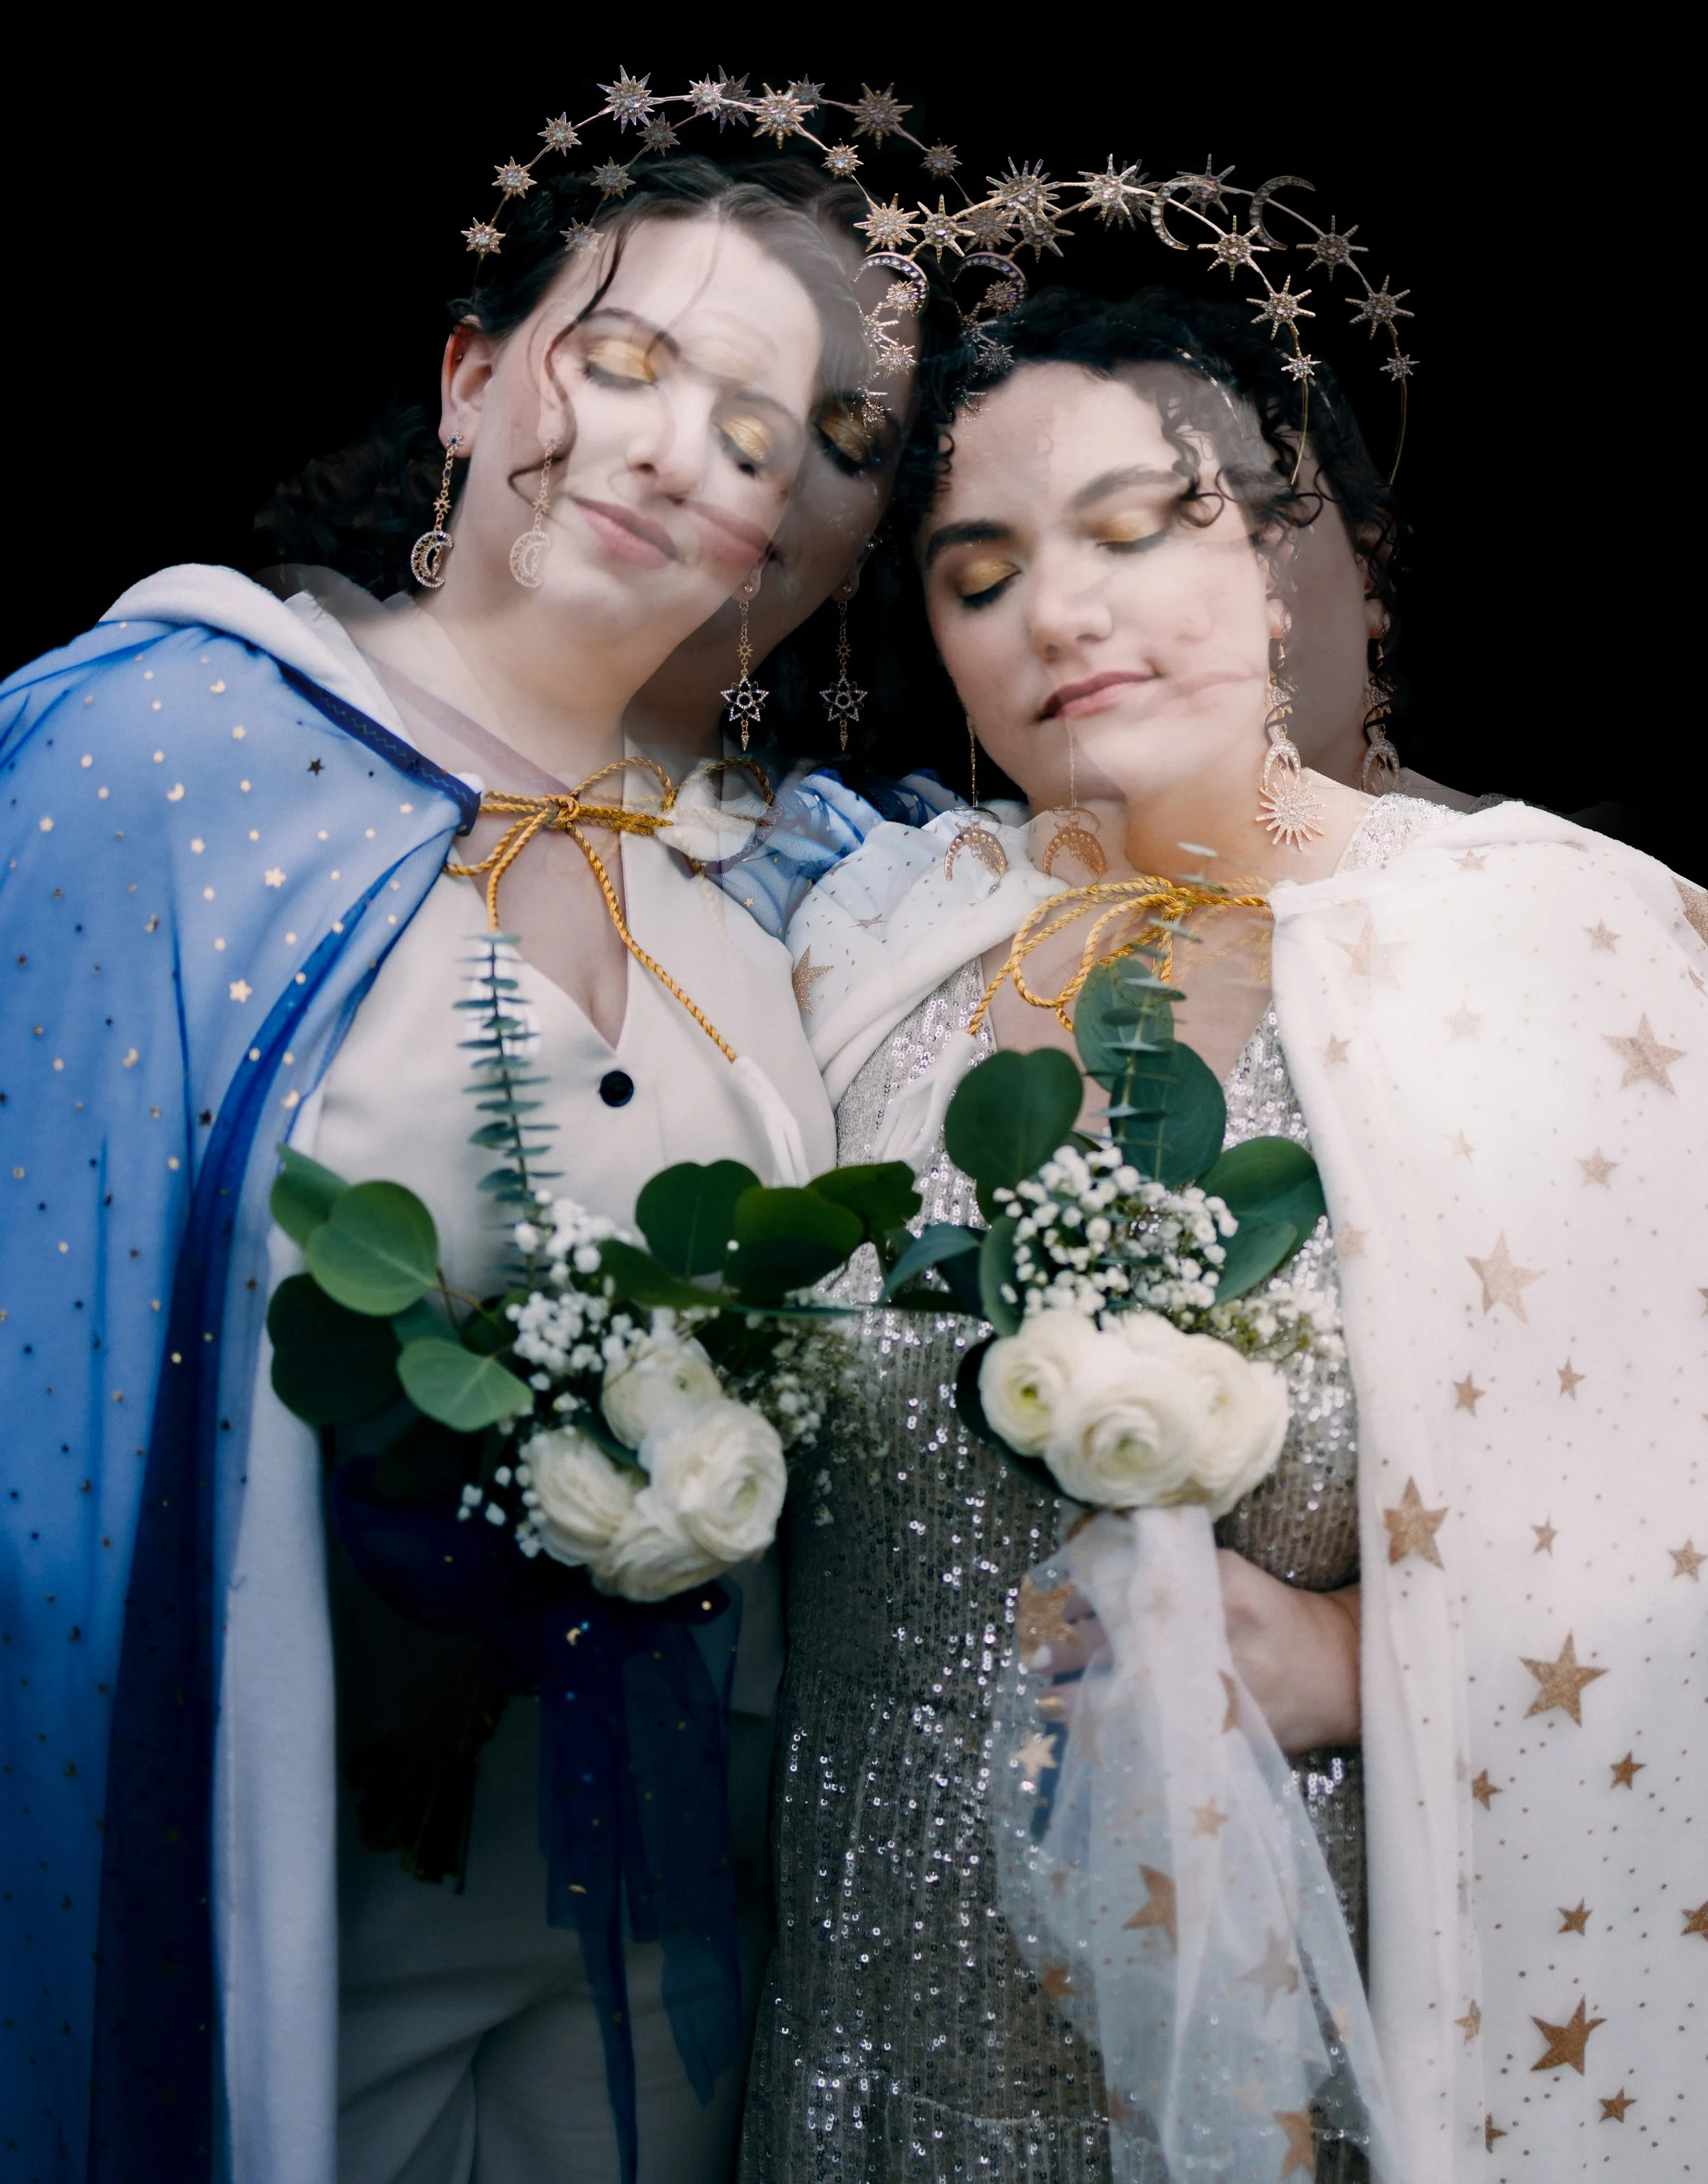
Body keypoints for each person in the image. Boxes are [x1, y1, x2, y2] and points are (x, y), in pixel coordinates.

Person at [749, 290, 1705, 2181]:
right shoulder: (873, 953)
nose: (1060, 613)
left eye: (1136, 527)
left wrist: (1371, 1651)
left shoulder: (1552, 944)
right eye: (979, 568)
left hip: (1316, 2016)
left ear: (1286, 549)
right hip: (874, 1996)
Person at [1, 152, 882, 2184]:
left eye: (757, 434)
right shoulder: (165, 750)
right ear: (473, 382)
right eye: (630, 360)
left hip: (675, 1910)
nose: (675, 453)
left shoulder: (795, 884)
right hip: (283, 1865)